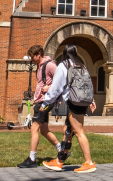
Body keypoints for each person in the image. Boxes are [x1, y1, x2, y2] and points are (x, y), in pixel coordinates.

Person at [41, 44, 98, 173]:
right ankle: (59, 161)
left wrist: (46, 103)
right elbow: (88, 85)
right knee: (67, 130)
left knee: (78, 132)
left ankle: (89, 163)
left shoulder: (64, 65)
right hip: (81, 101)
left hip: (74, 102)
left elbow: (56, 87)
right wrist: (91, 100)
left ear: (65, 52)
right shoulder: (82, 65)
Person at [18, 45, 63, 168]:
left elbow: (61, 80)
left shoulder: (50, 65)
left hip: (44, 102)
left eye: (33, 56)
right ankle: (61, 150)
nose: (31, 59)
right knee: (44, 131)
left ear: (39, 54)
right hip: (40, 101)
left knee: (34, 128)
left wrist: (49, 88)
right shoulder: (39, 66)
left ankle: (32, 159)